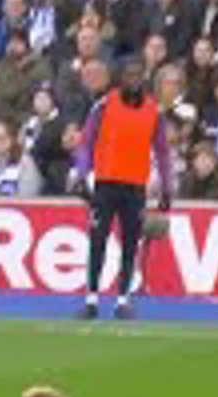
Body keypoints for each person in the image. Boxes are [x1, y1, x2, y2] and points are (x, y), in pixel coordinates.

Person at [74, 56, 173, 320]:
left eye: (138, 75)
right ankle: (92, 298)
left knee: (131, 243)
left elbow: (162, 151)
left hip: (135, 186)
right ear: (120, 79)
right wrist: (83, 174)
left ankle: (122, 299)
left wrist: (166, 187)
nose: (134, 80)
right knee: (98, 240)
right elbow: (86, 142)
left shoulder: (153, 111)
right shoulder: (104, 105)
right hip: (105, 184)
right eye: (129, 75)